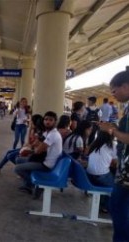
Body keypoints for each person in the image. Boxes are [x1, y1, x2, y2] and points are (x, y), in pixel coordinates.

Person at [98, 67, 129, 242]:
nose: (113, 94)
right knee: (118, 207)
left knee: (117, 207)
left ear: (125, 86)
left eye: (114, 90)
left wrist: (111, 130)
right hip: (125, 170)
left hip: (127, 173)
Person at [14, 111, 62, 197]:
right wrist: (32, 147)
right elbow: (37, 143)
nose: (47, 122)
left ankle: (36, 185)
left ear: (55, 122)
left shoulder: (53, 135)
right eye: (46, 119)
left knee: (17, 169)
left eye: (51, 120)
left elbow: (38, 150)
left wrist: (30, 150)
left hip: (46, 164)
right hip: (42, 159)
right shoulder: (47, 133)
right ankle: (28, 185)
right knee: (18, 159)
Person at [86, 130, 117, 213]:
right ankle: (105, 206)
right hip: (101, 176)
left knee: (106, 181)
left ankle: (102, 205)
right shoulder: (112, 145)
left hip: (89, 176)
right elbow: (115, 163)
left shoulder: (94, 144)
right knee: (117, 186)